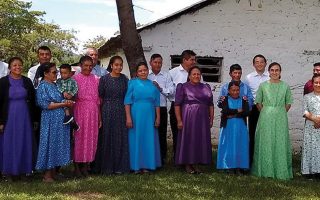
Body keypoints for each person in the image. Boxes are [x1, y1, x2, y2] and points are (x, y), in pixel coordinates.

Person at [251, 62, 293, 180]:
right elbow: (258, 102)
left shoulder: (285, 86)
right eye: (272, 70)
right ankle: (265, 170)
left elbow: (288, 102)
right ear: (268, 72)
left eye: (277, 70)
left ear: (280, 72)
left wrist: (279, 111)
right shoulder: (263, 85)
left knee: (280, 141)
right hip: (266, 116)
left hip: (280, 116)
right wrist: (267, 112)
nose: (274, 72)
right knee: (266, 141)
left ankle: (280, 170)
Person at [0, 57, 36, 181]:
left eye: (20, 65)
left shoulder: (27, 81)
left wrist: (34, 119)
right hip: (9, 116)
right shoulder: (3, 82)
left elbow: (33, 101)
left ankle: (24, 170)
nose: (18, 67)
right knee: (9, 143)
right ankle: (8, 172)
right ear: (10, 67)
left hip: (24, 117)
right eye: (14, 65)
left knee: (24, 141)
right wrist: (1, 121)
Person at [36, 62, 73, 182]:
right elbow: (44, 104)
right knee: (50, 144)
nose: (56, 74)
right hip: (50, 120)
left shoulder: (56, 85)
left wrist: (66, 102)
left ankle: (53, 172)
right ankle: (47, 175)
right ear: (45, 74)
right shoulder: (42, 86)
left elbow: (61, 98)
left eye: (56, 72)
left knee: (56, 144)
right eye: (53, 72)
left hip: (59, 121)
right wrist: (63, 103)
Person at [174, 66, 214, 174]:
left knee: (199, 139)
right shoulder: (183, 87)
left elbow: (211, 104)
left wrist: (211, 118)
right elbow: (177, 105)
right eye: (194, 74)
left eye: (198, 74)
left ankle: (196, 164)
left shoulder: (206, 87)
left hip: (202, 119)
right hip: (188, 117)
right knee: (188, 139)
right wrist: (179, 120)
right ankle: (187, 164)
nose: (196, 76)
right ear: (189, 76)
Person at [95, 56, 130, 175]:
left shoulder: (125, 79)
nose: (119, 67)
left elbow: (128, 96)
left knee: (120, 137)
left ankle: (120, 166)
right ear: (111, 65)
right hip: (107, 110)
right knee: (107, 136)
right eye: (116, 65)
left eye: (121, 65)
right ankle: (107, 167)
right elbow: (100, 96)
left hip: (121, 110)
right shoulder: (104, 79)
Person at [124, 62, 161, 173]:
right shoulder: (132, 83)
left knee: (148, 139)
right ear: (137, 73)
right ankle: (135, 166)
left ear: (148, 71)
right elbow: (127, 102)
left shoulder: (153, 85)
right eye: (140, 71)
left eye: (145, 70)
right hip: (136, 115)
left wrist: (158, 117)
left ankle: (147, 165)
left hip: (150, 115)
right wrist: (128, 117)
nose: (143, 72)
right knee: (136, 139)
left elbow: (157, 103)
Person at [73, 56, 101, 177]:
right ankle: (76, 167)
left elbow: (98, 100)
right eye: (86, 65)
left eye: (90, 66)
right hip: (79, 111)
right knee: (78, 138)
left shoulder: (96, 79)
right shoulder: (74, 79)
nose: (88, 68)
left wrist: (100, 117)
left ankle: (86, 166)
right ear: (80, 65)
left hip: (93, 112)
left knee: (90, 139)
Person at [169, 50, 196, 160]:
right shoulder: (173, 73)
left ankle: (189, 158)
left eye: (194, 60)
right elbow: (170, 92)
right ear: (184, 60)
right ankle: (177, 158)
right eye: (192, 60)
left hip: (192, 109)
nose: (194, 62)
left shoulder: (196, 73)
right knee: (177, 134)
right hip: (177, 107)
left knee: (190, 134)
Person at [217, 81, 250, 173]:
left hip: (241, 127)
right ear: (228, 90)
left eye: (237, 90)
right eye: (233, 90)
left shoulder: (243, 99)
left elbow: (247, 112)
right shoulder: (224, 99)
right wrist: (238, 110)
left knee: (240, 145)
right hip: (228, 127)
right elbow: (225, 111)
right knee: (228, 145)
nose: (235, 92)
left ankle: (239, 166)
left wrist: (233, 114)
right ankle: (228, 166)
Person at [148, 54, 174, 165]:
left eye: (160, 63)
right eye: (155, 62)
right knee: (149, 133)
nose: (158, 65)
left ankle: (161, 158)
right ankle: (149, 157)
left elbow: (171, 91)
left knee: (161, 134)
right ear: (151, 62)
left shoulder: (166, 75)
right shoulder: (146, 74)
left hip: (162, 108)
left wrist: (160, 88)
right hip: (148, 109)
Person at [244, 54, 269, 166]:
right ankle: (252, 160)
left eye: (261, 62)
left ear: (265, 63)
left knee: (267, 134)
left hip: (268, 108)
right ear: (253, 64)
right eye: (257, 62)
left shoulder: (270, 76)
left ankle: (265, 160)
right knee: (253, 134)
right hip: (254, 109)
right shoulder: (248, 78)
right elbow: (245, 94)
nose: (259, 64)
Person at [301, 74, 320, 178]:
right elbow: (305, 111)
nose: (318, 84)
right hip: (311, 126)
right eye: (316, 82)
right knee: (311, 148)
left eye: (319, 82)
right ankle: (309, 171)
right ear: (312, 84)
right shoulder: (307, 97)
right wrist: (315, 120)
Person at [56, 64, 79, 128]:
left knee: (70, 107)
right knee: (65, 104)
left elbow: (76, 88)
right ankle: (71, 121)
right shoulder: (59, 81)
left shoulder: (73, 81)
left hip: (71, 98)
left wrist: (71, 94)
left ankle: (70, 120)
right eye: (61, 73)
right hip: (62, 99)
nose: (63, 75)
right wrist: (63, 91)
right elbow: (58, 87)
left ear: (70, 73)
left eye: (65, 73)